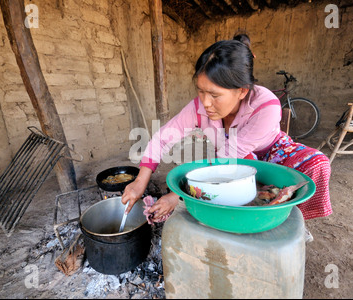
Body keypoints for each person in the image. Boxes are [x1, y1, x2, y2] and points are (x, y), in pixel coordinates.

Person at [122, 39, 333, 233]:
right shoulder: (199, 107)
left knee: (317, 164)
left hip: (272, 153)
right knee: (232, 181)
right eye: (201, 91)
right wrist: (140, 182)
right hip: (232, 159)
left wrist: (177, 196)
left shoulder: (266, 106)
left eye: (214, 95)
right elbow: (162, 138)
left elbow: (229, 156)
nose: (205, 102)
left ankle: (290, 224)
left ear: (242, 91)